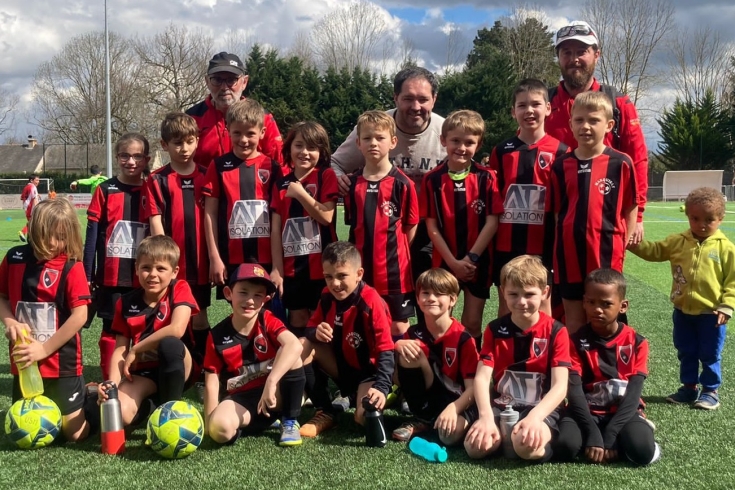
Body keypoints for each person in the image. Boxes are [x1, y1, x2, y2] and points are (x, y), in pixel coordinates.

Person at [331, 67, 445, 295]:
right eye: (408, 98)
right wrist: (338, 179)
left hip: (429, 227)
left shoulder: (445, 131)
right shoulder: (376, 128)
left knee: (428, 296)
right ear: (395, 97)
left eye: (423, 99)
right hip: (381, 226)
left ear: (434, 99)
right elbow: (335, 162)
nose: (416, 106)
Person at [629, 187, 735, 410]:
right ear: (687, 215)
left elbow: (732, 281)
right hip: (682, 312)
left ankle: (710, 391)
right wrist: (632, 243)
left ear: (720, 218)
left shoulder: (726, 248)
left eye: (709, 219)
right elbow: (654, 251)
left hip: (712, 315)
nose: (702, 224)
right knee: (686, 351)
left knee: (710, 354)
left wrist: (727, 306)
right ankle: (688, 388)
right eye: (695, 218)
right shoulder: (678, 241)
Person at [546, 20, 648, 245]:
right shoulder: (543, 104)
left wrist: (638, 215)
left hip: (604, 222)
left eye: (581, 51)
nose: (574, 59)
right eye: (566, 52)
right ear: (559, 57)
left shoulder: (618, 103)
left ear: (596, 55)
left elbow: (637, 160)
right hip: (551, 218)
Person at [0, 198, 93, 441]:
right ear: (33, 229)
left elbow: (80, 315)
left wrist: (43, 349)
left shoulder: (71, 266)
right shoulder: (14, 258)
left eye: (60, 237)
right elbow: (2, 297)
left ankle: (92, 397)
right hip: (25, 361)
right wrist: (10, 321)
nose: (52, 243)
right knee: (27, 425)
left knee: (74, 435)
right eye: (46, 235)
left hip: (62, 362)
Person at [464, 255, 570, 462]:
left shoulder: (557, 331)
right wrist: (485, 417)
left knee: (524, 446)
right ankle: (503, 436)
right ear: (503, 292)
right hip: (504, 405)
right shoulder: (495, 329)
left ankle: (543, 443)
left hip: (540, 408)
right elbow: (482, 378)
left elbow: (560, 386)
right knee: (474, 448)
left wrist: (535, 417)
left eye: (529, 294)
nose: (521, 302)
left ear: (545, 292)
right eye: (513, 294)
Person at [550, 92, 637, 333]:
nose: (585, 126)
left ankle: (610, 358)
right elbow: (558, 211)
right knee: (574, 319)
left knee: (606, 317)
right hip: (568, 254)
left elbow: (630, 206)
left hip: (607, 252)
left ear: (609, 125)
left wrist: (623, 241)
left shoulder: (621, 163)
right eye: (579, 120)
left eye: (593, 120)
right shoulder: (561, 165)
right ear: (570, 124)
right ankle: (576, 359)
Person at [556, 268, 660, 466]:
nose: (597, 309)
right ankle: (606, 438)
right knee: (564, 446)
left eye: (606, 304)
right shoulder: (574, 341)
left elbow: (633, 394)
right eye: (591, 302)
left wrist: (611, 434)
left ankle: (633, 432)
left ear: (623, 306)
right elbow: (575, 392)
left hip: (623, 410)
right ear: (584, 302)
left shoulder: (637, 342)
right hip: (586, 411)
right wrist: (593, 433)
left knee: (642, 452)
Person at [97, 235, 199, 427]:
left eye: (161, 268)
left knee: (170, 344)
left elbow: (176, 329)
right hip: (143, 373)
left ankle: (170, 414)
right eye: (146, 267)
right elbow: (120, 349)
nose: (152, 274)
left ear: (174, 272)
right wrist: (112, 386)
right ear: (136, 268)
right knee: (120, 413)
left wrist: (137, 349)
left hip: (178, 368)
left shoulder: (179, 288)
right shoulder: (125, 303)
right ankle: (154, 407)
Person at [298, 241, 395, 437]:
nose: (335, 283)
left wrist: (381, 387)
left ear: (359, 274)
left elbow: (386, 348)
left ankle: (383, 393)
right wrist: (316, 332)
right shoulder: (327, 296)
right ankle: (325, 411)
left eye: (342, 276)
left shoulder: (371, 301)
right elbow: (309, 328)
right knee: (302, 345)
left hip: (368, 373)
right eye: (329, 277)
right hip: (341, 368)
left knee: (363, 419)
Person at [489, 79, 568, 317]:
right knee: (508, 305)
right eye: (522, 105)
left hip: (543, 245)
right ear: (513, 112)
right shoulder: (501, 151)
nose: (529, 110)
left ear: (548, 108)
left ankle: (542, 344)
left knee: (542, 307)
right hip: (506, 244)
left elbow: (561, 206)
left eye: (535, 104)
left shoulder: (562, 152)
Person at [203, 263, 305, 446]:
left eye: (258, 295)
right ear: (228, 293)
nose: (250, 300)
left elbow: (294, 345)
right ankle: (260, 422)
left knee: (293, 356)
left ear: (265, 299)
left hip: (274, 393)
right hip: (241, 399)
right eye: (243, 292)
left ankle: (289, 420)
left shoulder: (267, 320)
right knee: (220, 429)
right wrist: (208, 424)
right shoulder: (217, 335)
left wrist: (271, 381)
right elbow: (211, 382)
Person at [420, 110, 498, 346]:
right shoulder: (432, 179)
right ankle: (443, 366)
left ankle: (470, 367)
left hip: (478, 263)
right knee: (441, 321)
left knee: (472, 323)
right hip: (445, 262)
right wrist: (454, 263)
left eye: (469, 142)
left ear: (479, 144)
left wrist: (471, 258)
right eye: (455, 140)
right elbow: (431, 226)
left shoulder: (487, 177)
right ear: (443, 140)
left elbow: (492, 222)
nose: (462, 147)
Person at [343, 111, 418, 337]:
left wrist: (394, 252)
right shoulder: (352, 184)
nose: (373, 143)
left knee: (398, 327)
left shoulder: (403, 183)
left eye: (380, 137)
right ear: (358, 143)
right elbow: (353, 226)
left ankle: (396, 363)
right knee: (363, 322)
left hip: (394, 271)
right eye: (367, 138)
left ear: (393, 142)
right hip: (360, 269)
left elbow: (410, 227)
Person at [83, 133, 150, 380]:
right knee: (111, 329)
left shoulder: (152, 188)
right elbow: (92, 236)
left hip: (145, 277)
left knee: (142, 330)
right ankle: (110, 380)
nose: (131, 161)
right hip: (110, 278)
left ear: (146, 159)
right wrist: (87, 274)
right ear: (117, 157)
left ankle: (138, 380)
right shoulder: (105, 190)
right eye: (125, 156)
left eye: (137, 156)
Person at [145, 112, 210, 363]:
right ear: (165, 145)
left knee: (200, 315)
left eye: (190, 141)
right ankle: (176, 364)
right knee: (171, 315)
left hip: (201, 262)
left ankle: (202, 365)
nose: (185, 148)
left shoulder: (206, 175)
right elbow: (155, 220)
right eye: (177, 143)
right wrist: (164, 262)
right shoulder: (157, 179)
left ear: (197, 141)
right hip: (172, 264)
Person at [202, 98, 283, 296]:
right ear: (228, 130)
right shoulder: (218, 166)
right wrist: (214, 257)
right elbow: (210, 213)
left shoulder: (272, 167)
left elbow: (277, 218)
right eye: (237, 133)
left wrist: (277, 266)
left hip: (265, 257)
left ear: (262, 133)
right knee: (238, 307)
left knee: (265, 308)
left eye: (250, 133)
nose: (244, 140)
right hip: (230, 257)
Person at [392, 268, 479, 443]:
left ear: (452, 300)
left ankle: (436, 421)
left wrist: (454, 408)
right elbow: (396, 377)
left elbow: (473, 389)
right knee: (409, 351)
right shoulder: (412, 333)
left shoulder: (463, 338)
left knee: (448, 437)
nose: (431, 298)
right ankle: (422, 419)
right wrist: (396, 346)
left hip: (458, 401)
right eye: (425, 293)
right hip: (429, 396)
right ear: (418, 299)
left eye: (439, 294)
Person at [270, 121, 339, 334]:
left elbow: (326, 217)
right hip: (293, 268)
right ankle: (301, 357)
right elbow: (276, 230)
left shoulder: (326, 175)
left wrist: (301, 194)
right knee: (298, 318)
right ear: (289, 148)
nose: (305, 152)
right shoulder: (280, 184)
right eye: (299, 145)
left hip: (322, 266)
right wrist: (277, 269)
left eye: (312, 147)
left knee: (322, 320)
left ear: (322, 151)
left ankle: (322, 357)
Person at [186, 52, 283, 167]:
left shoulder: (263, 118)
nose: (224, 87)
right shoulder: (191, 119)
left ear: (244, 82)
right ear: (207, 82)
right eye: (217, 80)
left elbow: (280, 164)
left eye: (231, 80)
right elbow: (180, 164)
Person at [18, 174, 40, 242]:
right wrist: (37, 208)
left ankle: (29, 236)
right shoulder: (33, 187)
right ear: (31, 180)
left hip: (27, 208)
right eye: (36, 180)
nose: (38, 182)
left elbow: (22, 198)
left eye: (38, 180)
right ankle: (24, 232)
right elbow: (34, 199)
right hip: (31, 208)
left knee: (33, 222)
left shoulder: (26, 187)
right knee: (34, 222)